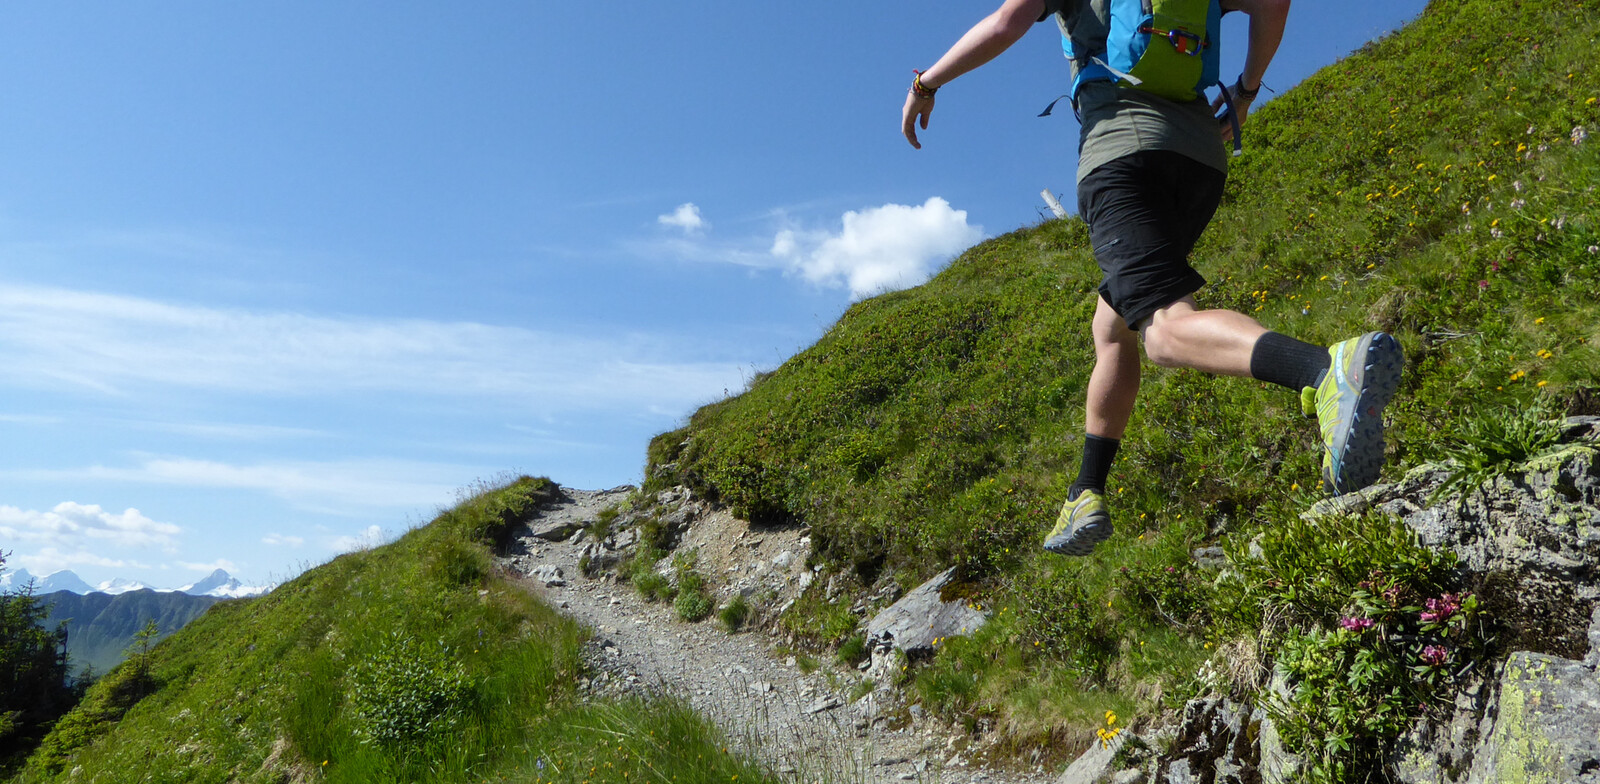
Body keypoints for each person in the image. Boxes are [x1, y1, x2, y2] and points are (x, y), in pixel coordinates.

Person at [900, 0, 1404, 557]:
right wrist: (1246, 89)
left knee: (1164, 331)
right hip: (1200, 163)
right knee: (1113, 327)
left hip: (1121, 159)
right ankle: (1086, 491)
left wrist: (926, 83)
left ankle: (1326, 370)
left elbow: (1005, 23)